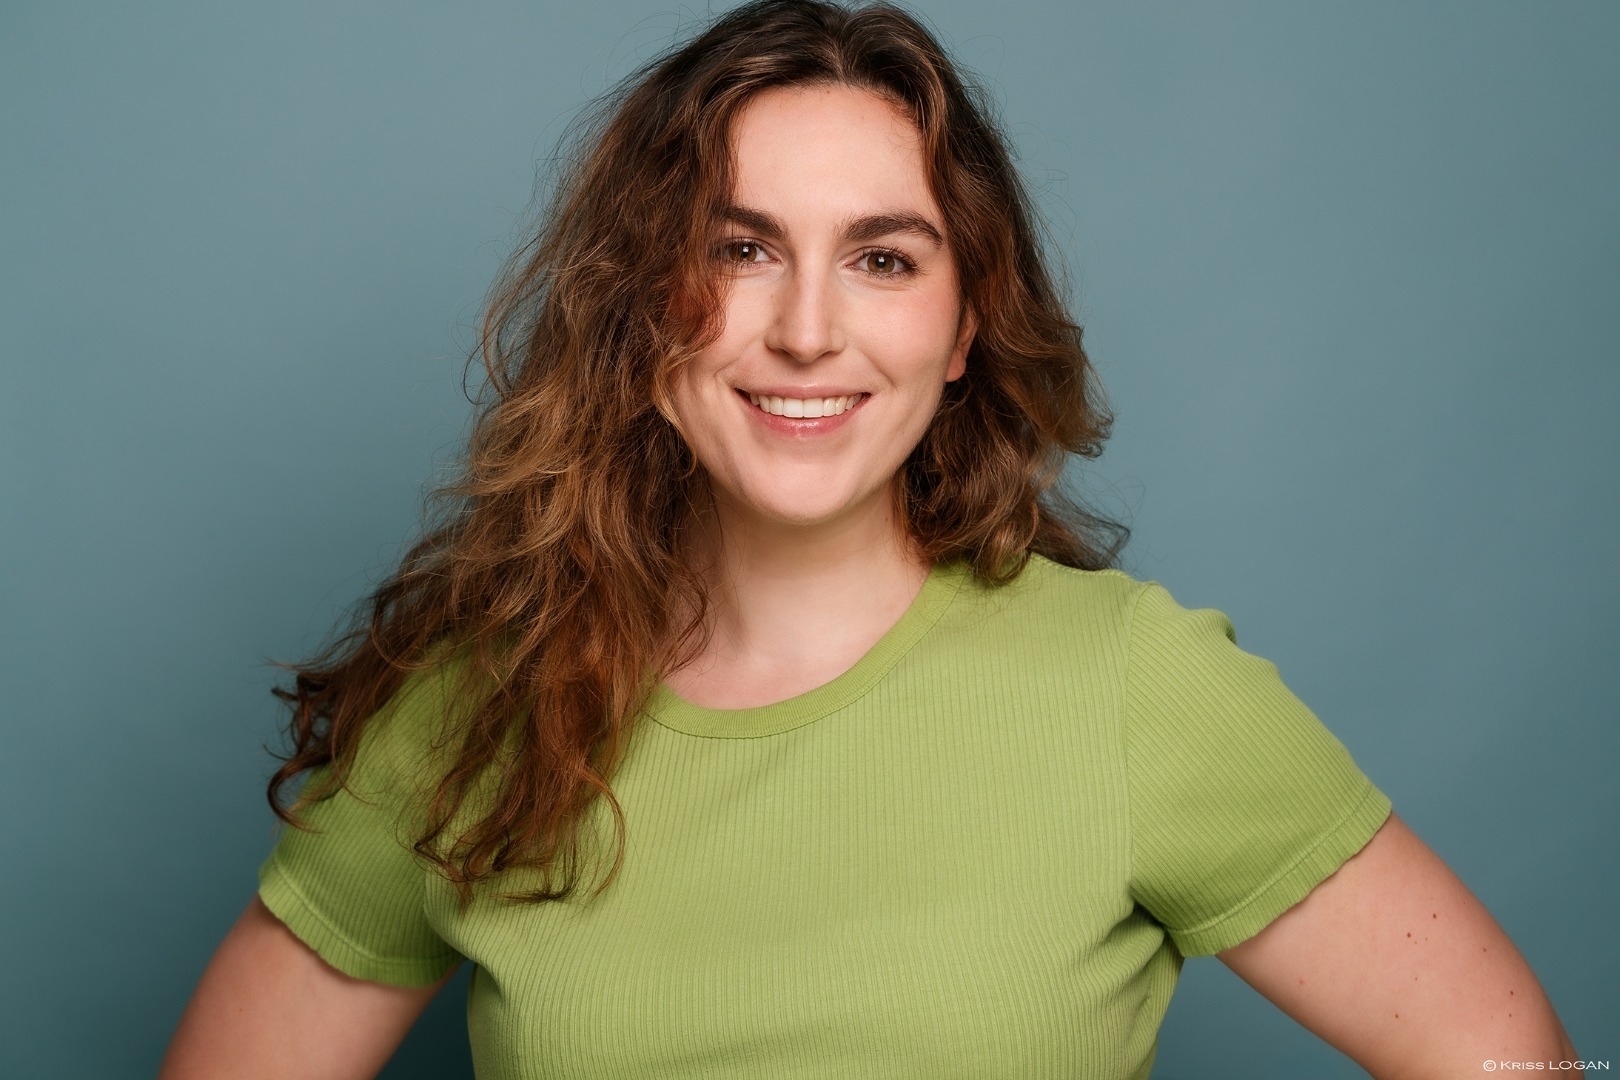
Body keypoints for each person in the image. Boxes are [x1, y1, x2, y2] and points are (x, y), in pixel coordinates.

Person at [160, 1, 1578, 1077]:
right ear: (638, 306)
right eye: (740, 249)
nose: (807, 330)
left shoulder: (1132, 689)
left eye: (883, 258)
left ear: (964, 329)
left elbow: (1503, 1054)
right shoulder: (481, 712)